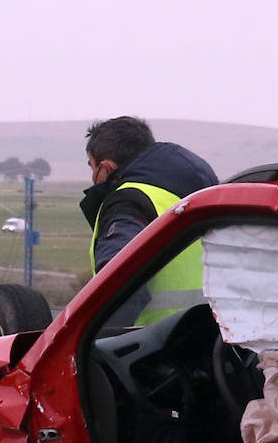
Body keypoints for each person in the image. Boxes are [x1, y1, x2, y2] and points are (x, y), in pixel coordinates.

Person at [79, 115, 219, 322]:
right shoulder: (203, 191)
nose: (92, 177)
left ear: (106, 167)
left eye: (92, 167)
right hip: (217, 338)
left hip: (152, 344)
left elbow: (119, 280)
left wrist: (99, 338)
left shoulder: (127, 201)